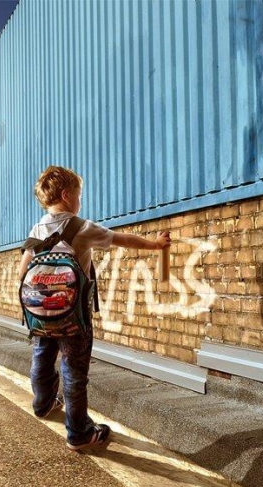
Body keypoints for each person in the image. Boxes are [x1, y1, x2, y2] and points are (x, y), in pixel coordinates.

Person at [19, 165, 170, 452]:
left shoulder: (36, 229)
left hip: (40, 314)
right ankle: (79, 433)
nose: (79, 201)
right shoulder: (82, 227)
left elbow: (22, 272)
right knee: (74, 372)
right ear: (67, 195)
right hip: (73, 318)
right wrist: (155, 244)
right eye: (79, 195)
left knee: (42, 357)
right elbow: (123, 240)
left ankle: (43, 403)